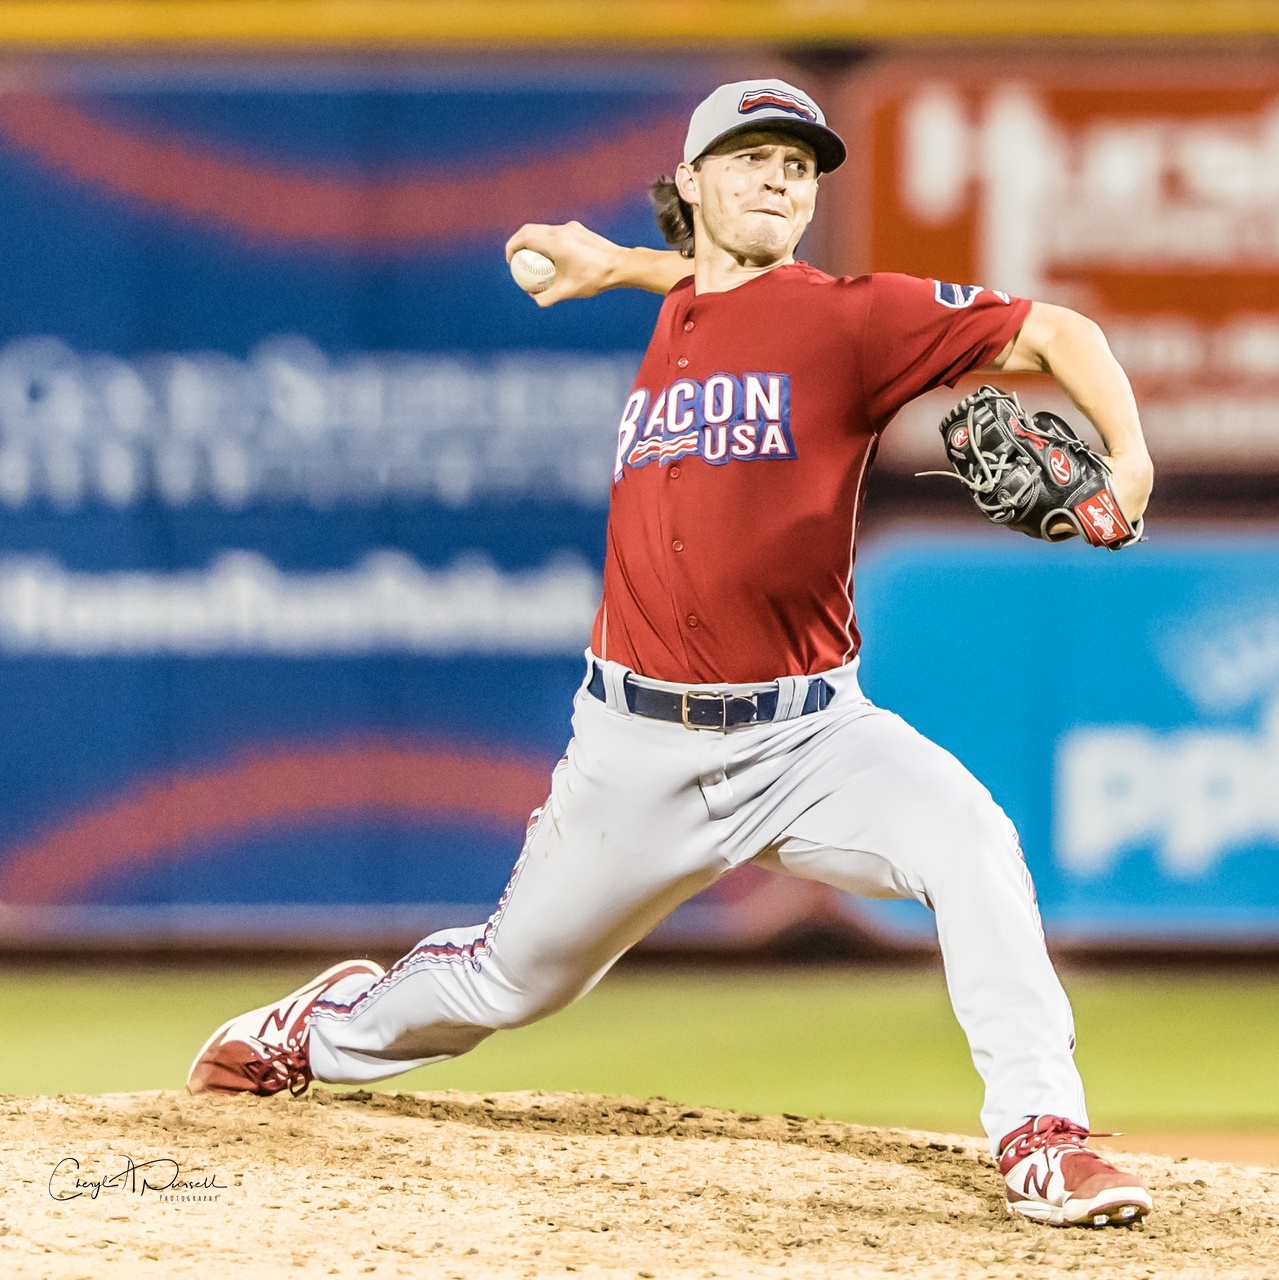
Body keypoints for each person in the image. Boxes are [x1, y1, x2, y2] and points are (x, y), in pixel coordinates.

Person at [188, 78, 1156, 1230]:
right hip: (632, 746)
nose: (780, 178)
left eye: (798, 166)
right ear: (691, 183)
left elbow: (1059, 332)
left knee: (971, 837)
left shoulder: (856, 315)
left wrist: (1129, 468)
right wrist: (617, 265)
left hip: (809, 734)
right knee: (512, 980)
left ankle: (1040, 1133)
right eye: (751, 157)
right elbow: (712, 287)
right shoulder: (682, 303)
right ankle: (324, 1026)